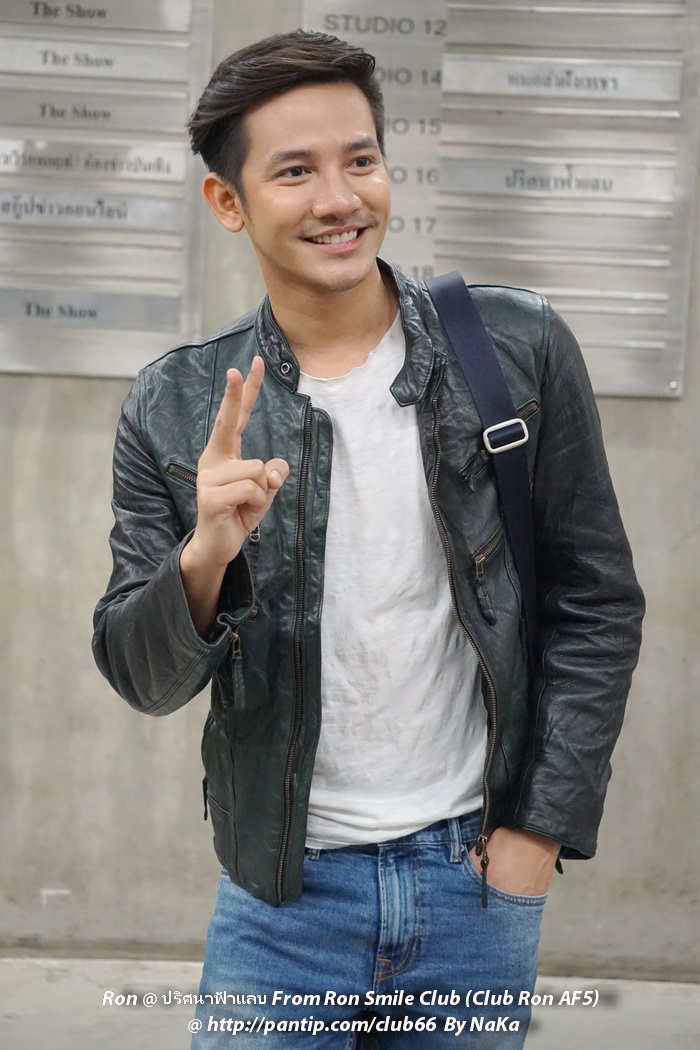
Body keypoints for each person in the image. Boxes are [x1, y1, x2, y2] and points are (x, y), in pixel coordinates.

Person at [92, 29, 644, 1049]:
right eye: (294, 171)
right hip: (280, 901)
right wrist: (205, 555)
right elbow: (143, 678)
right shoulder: (175, 404)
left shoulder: (514, 348)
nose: (340, 198)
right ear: (228, 201)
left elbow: (595, 604)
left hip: (473, 886)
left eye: (360, 160)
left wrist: (536, 834)